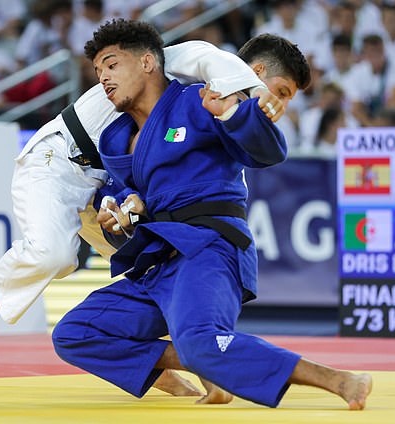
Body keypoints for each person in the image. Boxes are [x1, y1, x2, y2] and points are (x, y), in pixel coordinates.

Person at [52, 19, 372, 410]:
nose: (103, 78)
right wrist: (120, 219)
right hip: (157, 263)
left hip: (208, 248)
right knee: (74, 332)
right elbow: (126, 216)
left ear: (148, 62)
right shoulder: (116, 137)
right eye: (98, 69)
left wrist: (233, 113)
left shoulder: (197, 100)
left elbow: (269, 152)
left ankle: (338, 379)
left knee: (200, 340)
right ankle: (210, 367)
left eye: (112, 65)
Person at [0, 38, 286, 361]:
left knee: (154, 265)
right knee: (54, 254)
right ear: (254, 70)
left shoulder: (200, 102)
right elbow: (206, 54)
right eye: (281, 92)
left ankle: (173, 358)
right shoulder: (164, 63)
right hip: (58, 158)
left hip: (104, 180)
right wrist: (257, 92)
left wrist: (134, 209)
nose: (280, 104)